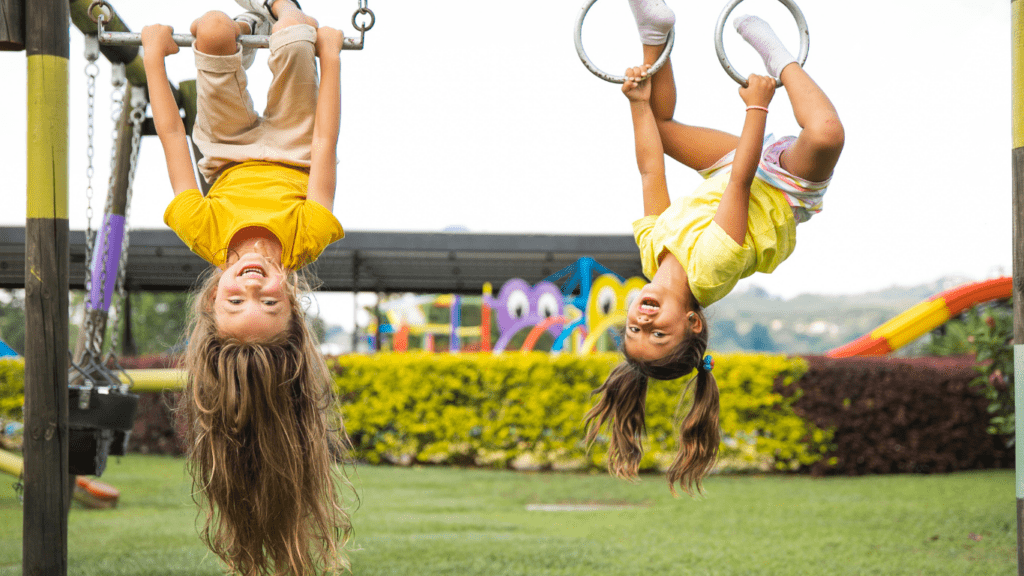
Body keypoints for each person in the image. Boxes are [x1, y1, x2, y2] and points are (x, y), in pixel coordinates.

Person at [585, 1, 844, 496]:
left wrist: (637, 102)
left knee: (658, 129)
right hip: (783, 187)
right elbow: (742, 187)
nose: (643, 322)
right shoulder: (710, 269)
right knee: (828, 134)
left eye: (634, 329)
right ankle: (780, 55)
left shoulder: (650, 253)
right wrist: (758, 105)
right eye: (657, 335)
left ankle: (654, 32)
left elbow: (650, 169)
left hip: (729, 168)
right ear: (692, 323)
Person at [141, 1, 351, 574]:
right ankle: (281, 10)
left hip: (225, 152)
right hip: (294, 147)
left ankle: (240, 31)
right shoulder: (308, 236)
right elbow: (327, 144)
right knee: (293, 37)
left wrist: (154, 59)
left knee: (209, 29)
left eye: (236, 301)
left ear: (213, 297)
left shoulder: (203, 232)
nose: (252, 287)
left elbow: (170, 136)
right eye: (270, 302)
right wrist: (331, 60)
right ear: (293, 300)